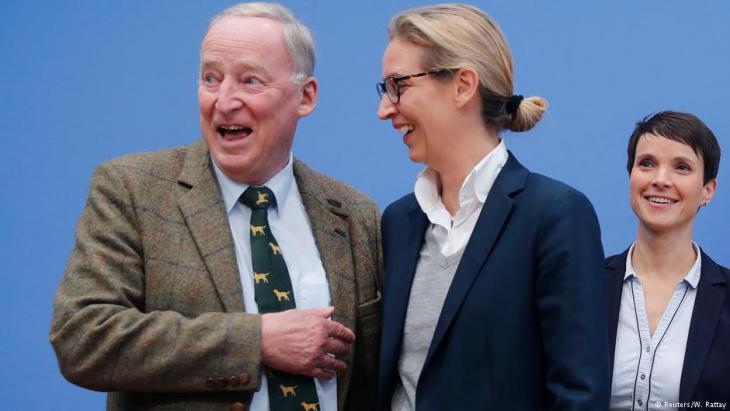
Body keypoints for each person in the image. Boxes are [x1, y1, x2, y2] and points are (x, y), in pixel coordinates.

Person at [50, 3, 382, 411]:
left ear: (306, 96)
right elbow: (83, 337)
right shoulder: (134, 190)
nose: (224, 101)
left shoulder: (353, 214)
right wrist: (255, 341)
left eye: (250, 81)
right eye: (211, 78)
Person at [375, 4, 609, 410]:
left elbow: (579, 396)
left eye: (399, 86)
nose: (384, 109)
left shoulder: (555, 216)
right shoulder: (398, 222)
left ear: (463, 85)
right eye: (384, 90)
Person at [607, 111, 729, 410]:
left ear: (708, 190)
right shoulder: (583, 286)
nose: (660, 180)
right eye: (646, 163)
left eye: (682, 167)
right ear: (631, 176)